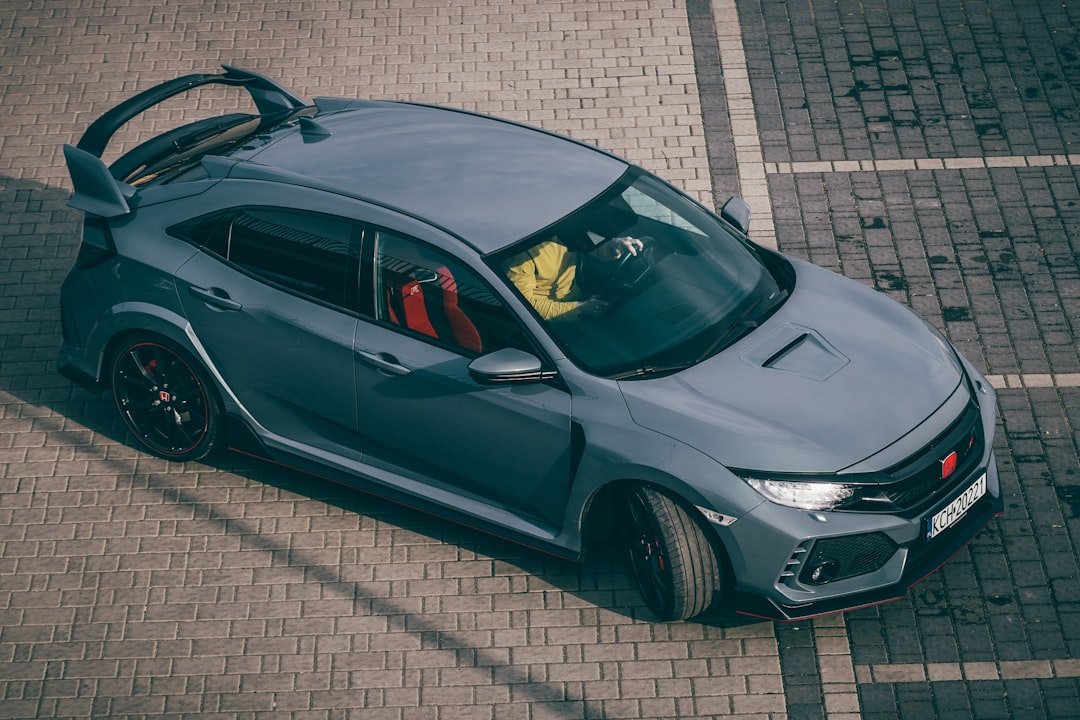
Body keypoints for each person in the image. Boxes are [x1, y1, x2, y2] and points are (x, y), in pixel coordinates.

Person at [506, 235, 644, 320]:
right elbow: (522, 307)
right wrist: (578, 309)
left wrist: (614, 246)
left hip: (579, 299)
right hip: (548, 320)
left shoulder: (572, 228)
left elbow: (597, 249)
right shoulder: (521, 255)